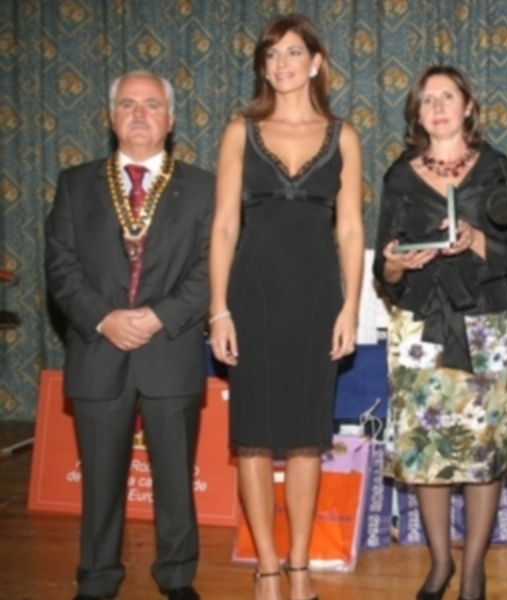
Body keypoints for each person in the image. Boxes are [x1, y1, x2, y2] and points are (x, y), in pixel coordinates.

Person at [208, 14, 363, 600]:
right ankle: (267, 567)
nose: (282, 65)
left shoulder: (343, 134)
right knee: (252, 434)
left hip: (319, 296)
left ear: (316, 62)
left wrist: (349, 308)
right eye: (271, 56)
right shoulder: (238, 132)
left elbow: (350, 232)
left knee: (304, 437)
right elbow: (224, 227)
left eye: (293, 53)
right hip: (253, 295)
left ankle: (300, 566)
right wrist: (218, 310)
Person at [45, 70, 214, 600]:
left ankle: (177, 575)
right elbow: (60, 266)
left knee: (175, 480)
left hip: (171, 348)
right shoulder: (75, 183)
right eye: (126, 104)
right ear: (110, 117)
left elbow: (213, 267)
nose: (138, 114)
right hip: (99, 351)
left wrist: (159, 315)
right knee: (99, 483)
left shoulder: (205, 187)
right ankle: (96, 580)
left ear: (171, 118)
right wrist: (104, 318)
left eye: (150, 105)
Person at [373, 65, 507, 600]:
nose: (437, 105)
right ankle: (440, 564)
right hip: (419, 329)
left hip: (485, 327)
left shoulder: (498, 169)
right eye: (426, 99)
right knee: (426, 452)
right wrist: (398, 266)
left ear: (468, 106)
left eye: (448, 95)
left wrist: (477, 240)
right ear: (417, 114)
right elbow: (383, 271)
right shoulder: (399, 176)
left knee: (483, 453)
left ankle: (476, 569)